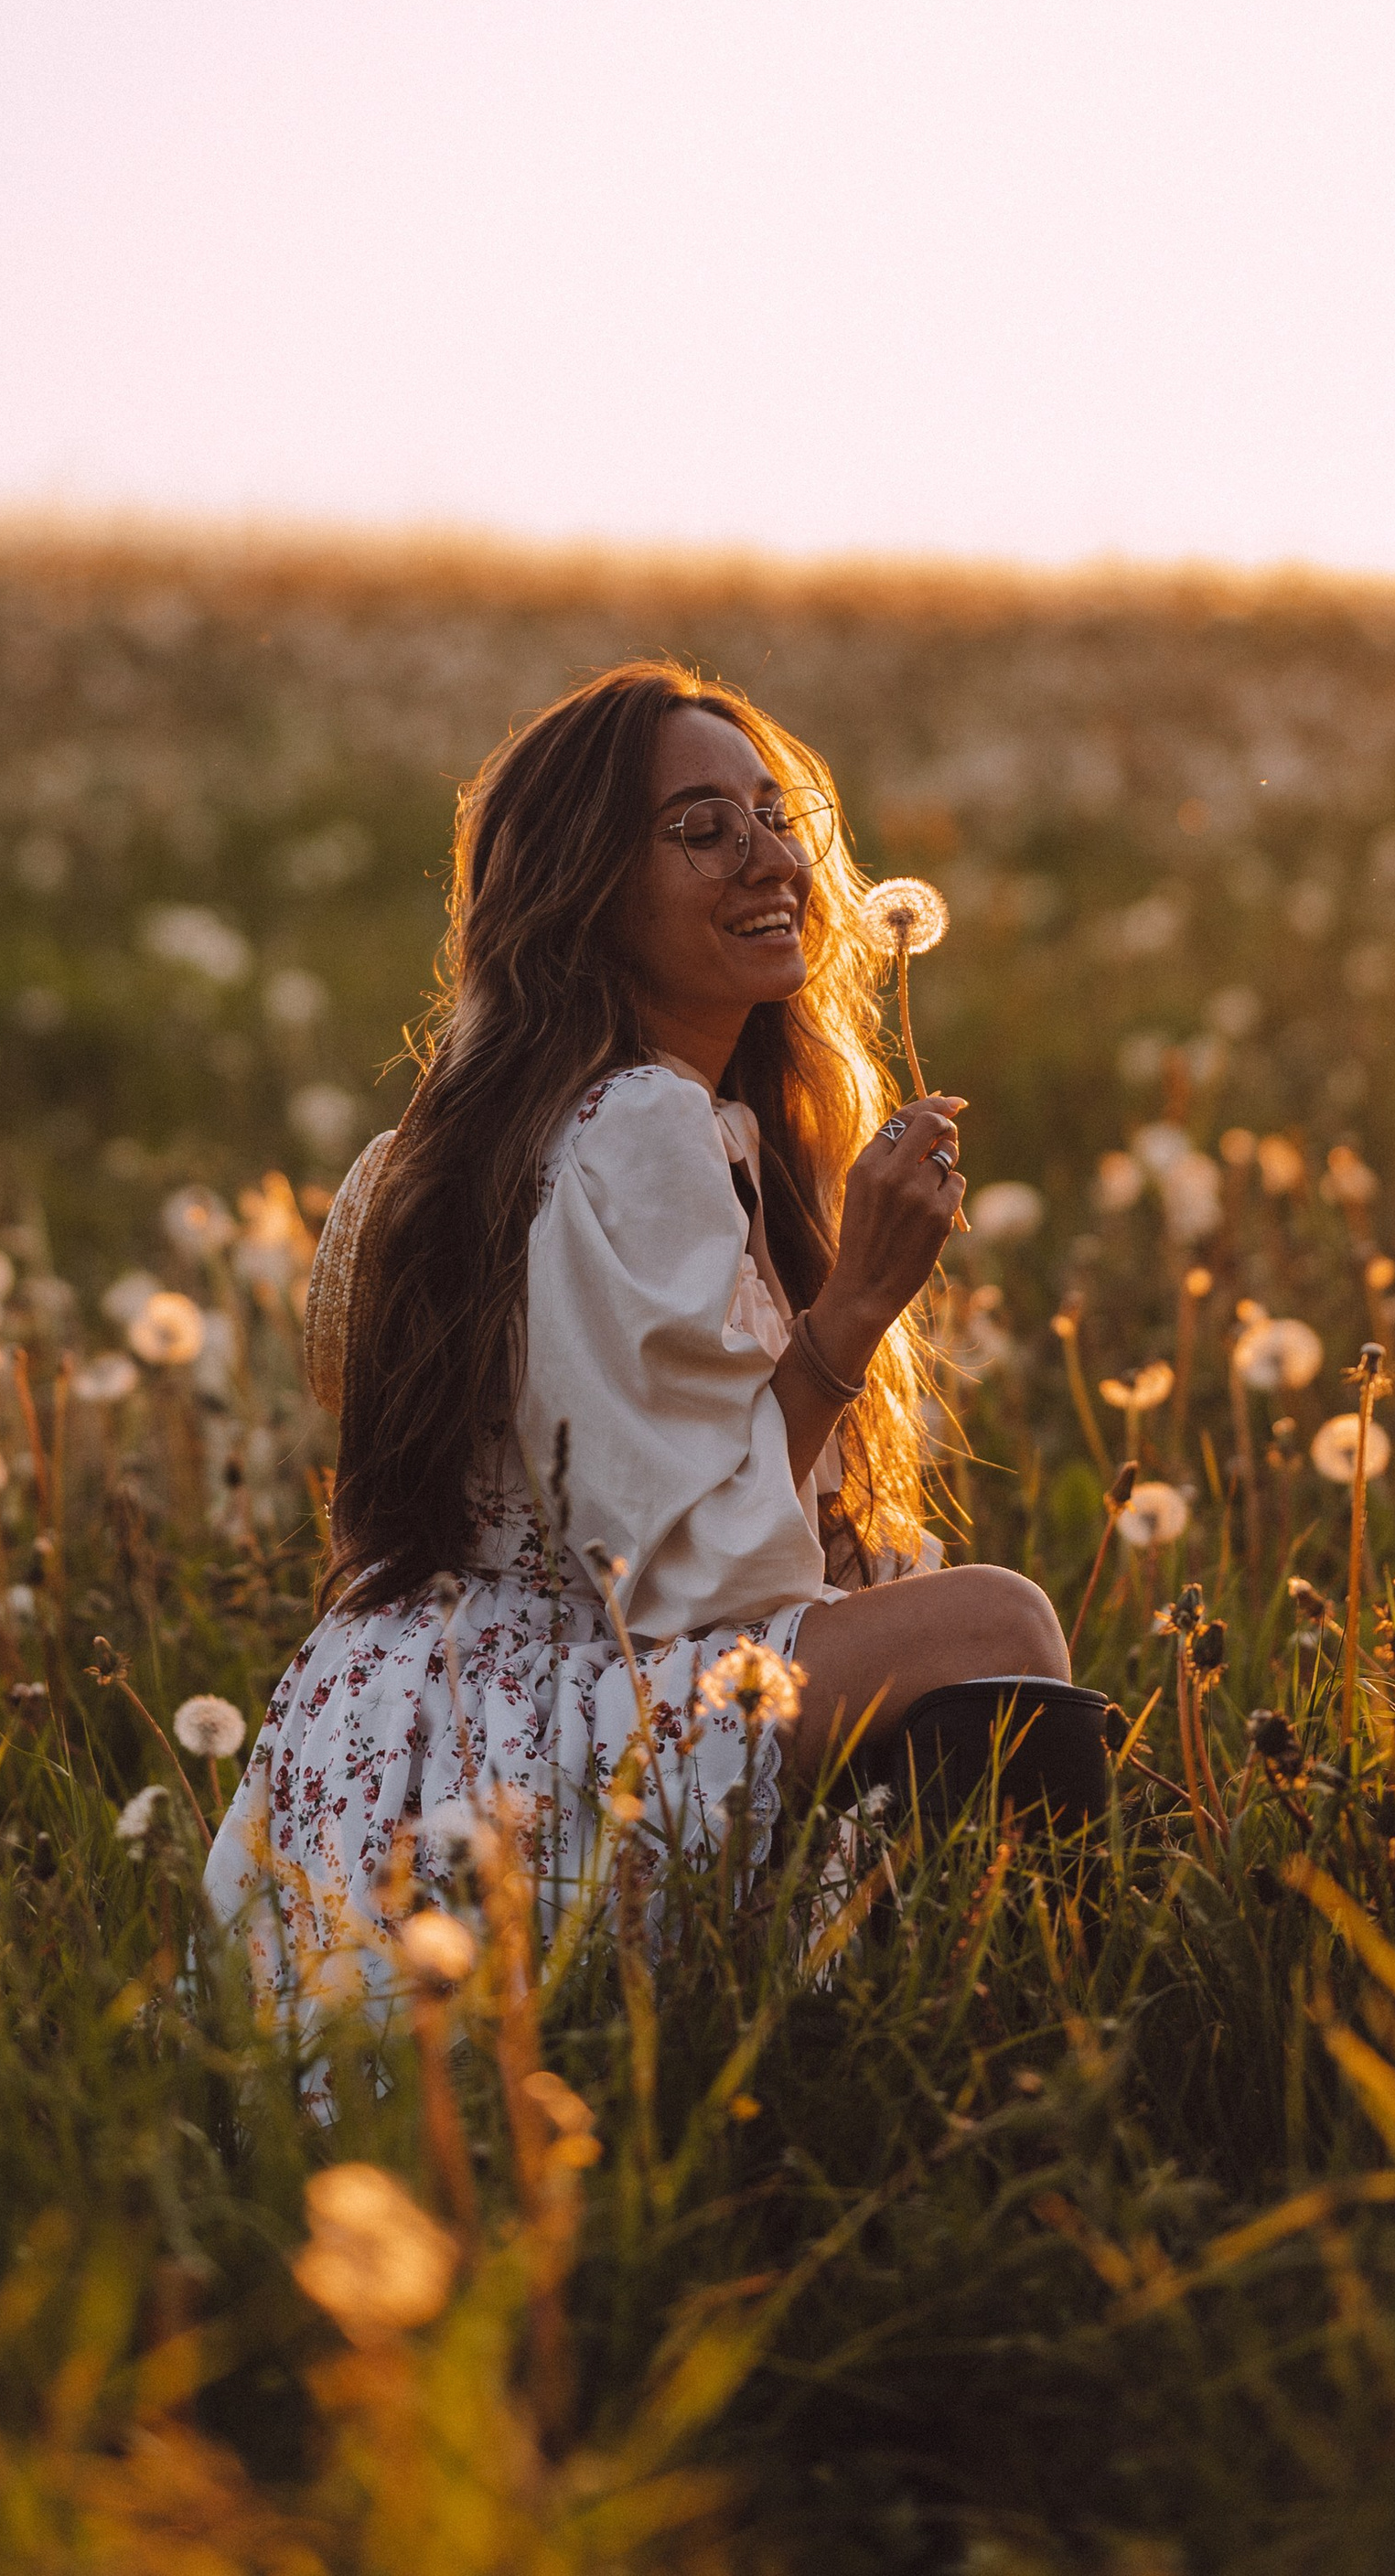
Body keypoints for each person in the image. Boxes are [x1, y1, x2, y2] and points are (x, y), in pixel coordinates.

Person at [204, 660, 1069, 1973]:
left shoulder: (550, 1117)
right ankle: (1008, 2058)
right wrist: (855, 1310)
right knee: (989, 1627)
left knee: (902, 1585)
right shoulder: (642, 1121)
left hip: (391, 1736)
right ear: (587, 894)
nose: (767, 858)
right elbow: (682, 1577)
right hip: (538, 1738)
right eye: (699, 833)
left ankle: (895, 2010)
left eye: (777, 816)